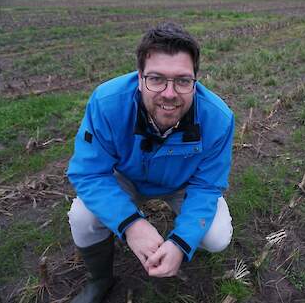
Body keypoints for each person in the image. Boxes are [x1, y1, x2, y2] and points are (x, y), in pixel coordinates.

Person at [67, 22, 234, 303]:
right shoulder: (107, 103)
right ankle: (101, 279)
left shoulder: (218, 118)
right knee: (82, 217)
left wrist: (181, 242)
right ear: (140, 76)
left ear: (196, 79)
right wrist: (131, 224)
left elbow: (207, 186)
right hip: (127, 178)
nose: (169, 93)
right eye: (156, 79)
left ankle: (177, 245)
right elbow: (89, 173)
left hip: (182, 184)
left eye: (182, 80)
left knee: (217, 237)